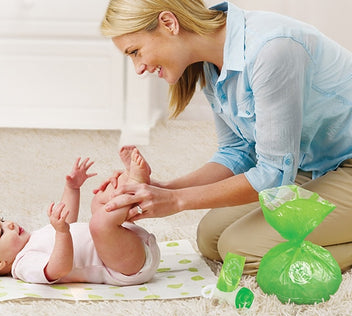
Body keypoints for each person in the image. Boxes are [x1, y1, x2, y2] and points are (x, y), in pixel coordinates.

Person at [100, 0, 352, 274]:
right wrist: (166, 189)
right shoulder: (211, 61)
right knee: (211, 237)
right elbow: (237, 152)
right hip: (317, 163)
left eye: (135, 52)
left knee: (240, 248)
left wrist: (176, 202)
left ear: (169, 23)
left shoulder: (271, 49)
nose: (138, 68)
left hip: (345, 164)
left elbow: (273, 175)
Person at [0, 147, 160, 286]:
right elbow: (59, 268)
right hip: (125, 267)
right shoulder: (24, 265)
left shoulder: (35, 238)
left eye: (1, 219)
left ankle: (131, 182)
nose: (8, 224)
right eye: (0, 232)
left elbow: (66, 218)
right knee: (99, 223)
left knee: (99, 202)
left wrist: (72, 188)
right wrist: (62, 232)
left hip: (124, 244)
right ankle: (134, 184)